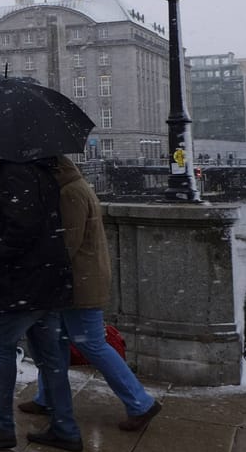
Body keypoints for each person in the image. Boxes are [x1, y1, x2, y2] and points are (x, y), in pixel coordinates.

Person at [20, 157, 162, 432]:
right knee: (58, 341)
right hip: (75, 281)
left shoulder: (69, 193)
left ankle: (141, 402)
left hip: (78, 283)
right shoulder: (74, 186)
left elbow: (65, 243)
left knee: (91, 343)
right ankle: (47, 396)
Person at [0, 157, 80, 452]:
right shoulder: (42, 170)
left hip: (22, 283)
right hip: (47, 280)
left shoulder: (14, 174)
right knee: (50, 357)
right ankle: (65, 427)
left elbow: (22, 227)